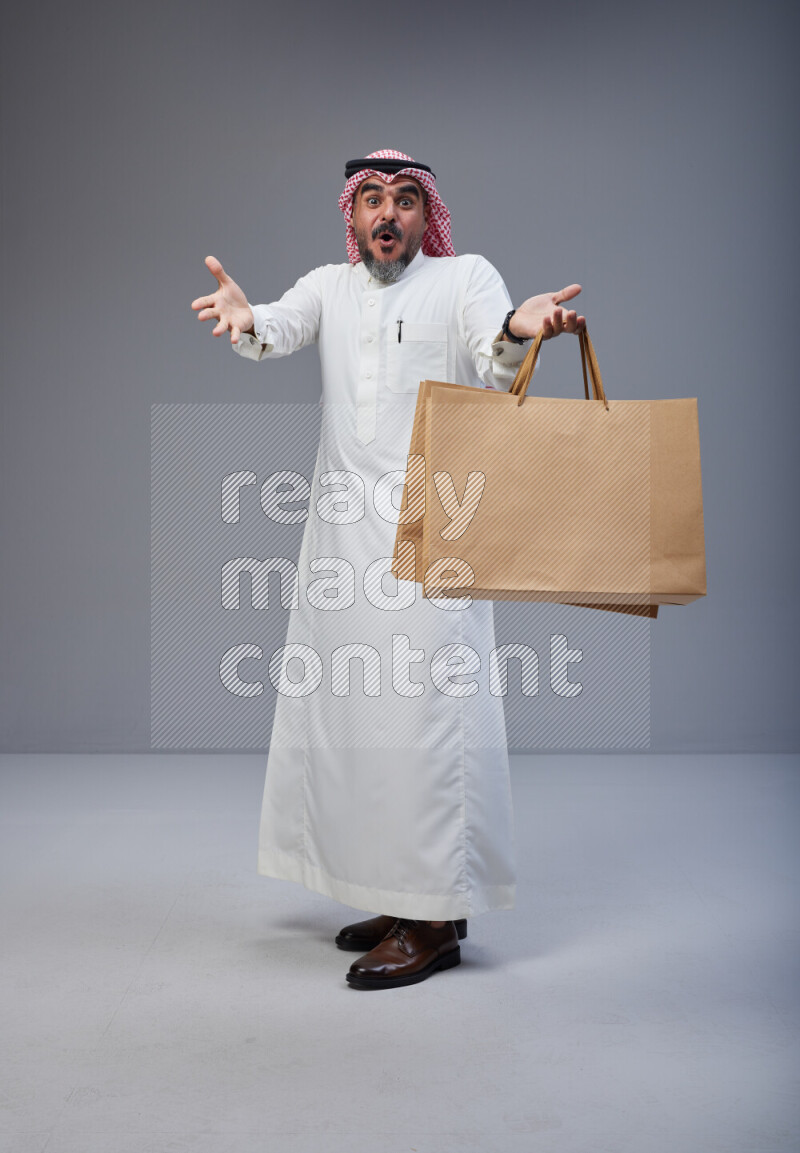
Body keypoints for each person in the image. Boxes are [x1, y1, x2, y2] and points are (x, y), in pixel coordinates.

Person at [191, 149, 585, 990]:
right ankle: (399, 892)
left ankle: (436, 918)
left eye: (406, 200)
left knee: (425, 722)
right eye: (372, 199)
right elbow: (278, 327)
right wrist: (243, 314)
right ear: (352, 214)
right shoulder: (328, 289)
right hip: (343, 539)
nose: (389, 214)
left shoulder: (461, 276)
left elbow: (493, 346)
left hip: (435, 529)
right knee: (356, 718)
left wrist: (525, 325)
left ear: (424, 213)